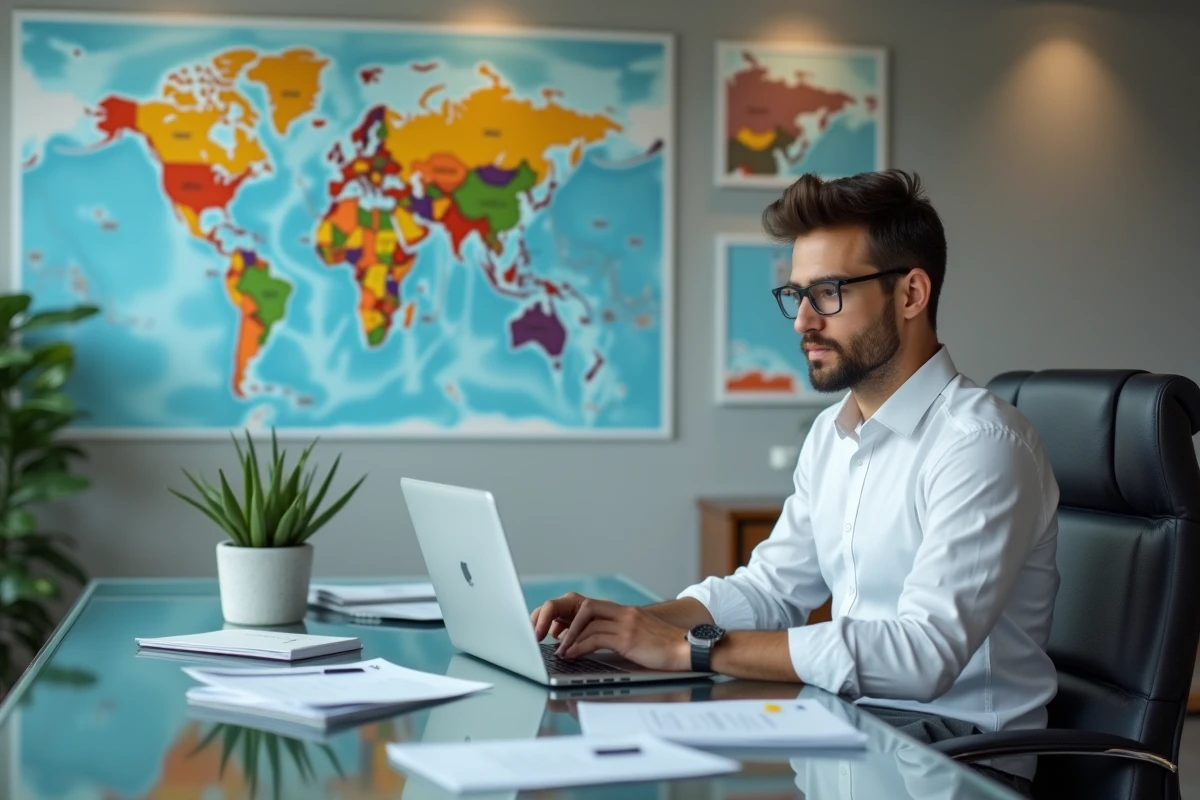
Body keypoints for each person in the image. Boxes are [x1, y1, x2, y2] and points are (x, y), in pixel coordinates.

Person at [530, 169, 1059, 798]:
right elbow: (770, 589)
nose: (802, 320)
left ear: (911, 293)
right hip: (853, 726)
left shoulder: (980, 445)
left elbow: (923, 655)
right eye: (796, 295)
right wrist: (624, 626)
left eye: (828, 293)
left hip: (961, 759)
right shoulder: (832, 435)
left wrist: (690, 649)